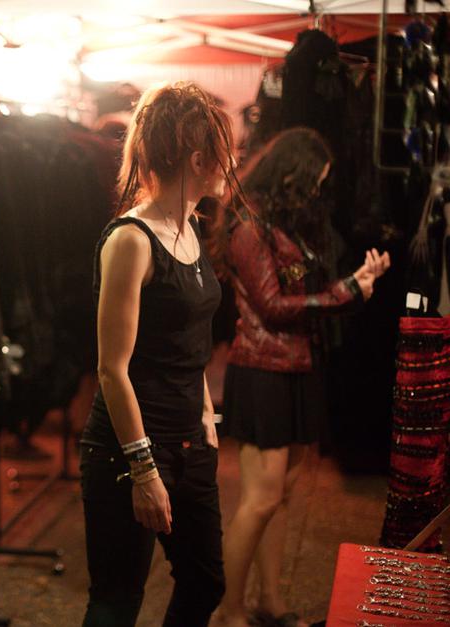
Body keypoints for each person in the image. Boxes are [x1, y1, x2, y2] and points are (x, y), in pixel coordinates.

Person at [210, 128, 390, 627]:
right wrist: (346, 293)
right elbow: (271, 305)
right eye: (314, 180)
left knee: (281, 497)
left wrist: (353, 283)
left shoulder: (278, 224)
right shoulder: (251, 227)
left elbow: (295, 293)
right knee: (260, 500)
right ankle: (229, 611)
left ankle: (269, 601)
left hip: (293, 366)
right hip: (263, 370)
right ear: (290, 173)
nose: (316, 190)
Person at [80, 82, 240, 626]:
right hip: (129, 451)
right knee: (116, 601)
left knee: (205, 581)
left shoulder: (190, 227)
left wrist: (205, 416)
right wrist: (143, 467)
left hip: (190, 443)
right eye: (223, 151)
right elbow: (111, 369)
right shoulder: (131, 239)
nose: (231, 163)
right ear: (198, 159)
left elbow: (188, 340)